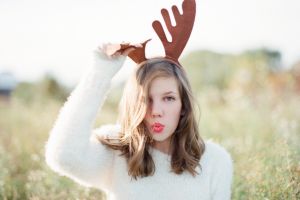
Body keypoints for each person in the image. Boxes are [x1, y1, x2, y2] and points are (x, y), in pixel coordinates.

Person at [45, 43, 233, 200]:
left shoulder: (214, 161)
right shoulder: (117, 149)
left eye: (168, 98)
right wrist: (100, 73)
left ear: (183, 105)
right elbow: (64, 157)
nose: (156, 112)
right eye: (145, 100)